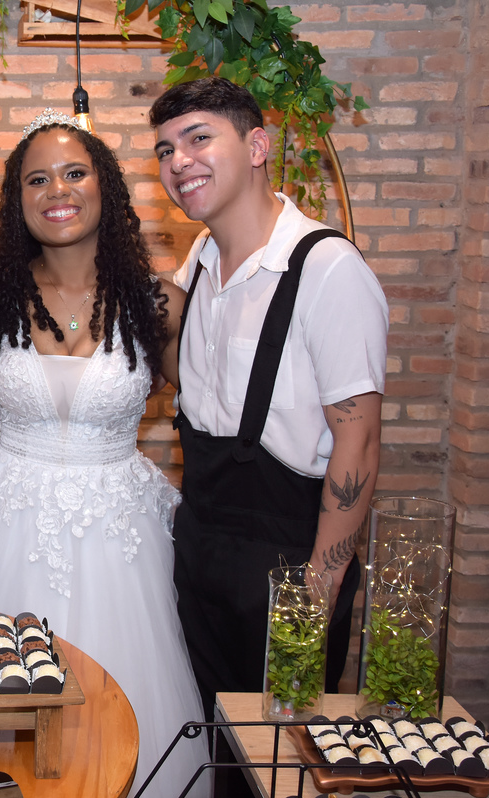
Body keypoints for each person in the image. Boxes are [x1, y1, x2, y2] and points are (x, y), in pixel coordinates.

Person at [0, 109, 208, 798]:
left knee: (127, 700)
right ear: (16, 199)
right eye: (37, 179)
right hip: (8, 526)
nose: (58, 191)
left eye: (75, 173)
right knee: (3, 707)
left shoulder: (161, 304)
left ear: (105, 185)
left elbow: (212, 417)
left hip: (120, 535)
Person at [149, 77, 387, 719]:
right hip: (200, 545)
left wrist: (320, 587)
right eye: (166, 150)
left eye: (199, 138)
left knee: (282, 751)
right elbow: (189, 381)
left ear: (257, 146)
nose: (179, 161)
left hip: (288, 564)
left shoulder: (327, 267)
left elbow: (360, 440)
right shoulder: (199, 260)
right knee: (210, 741)